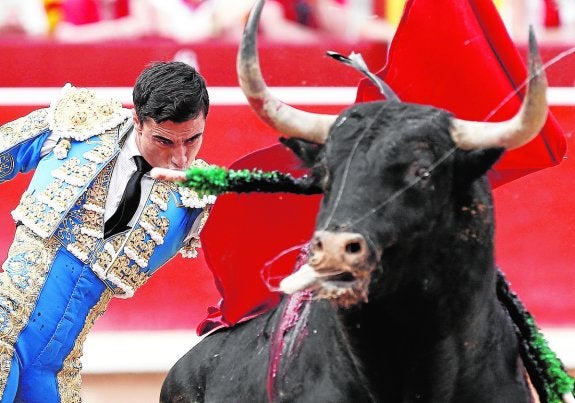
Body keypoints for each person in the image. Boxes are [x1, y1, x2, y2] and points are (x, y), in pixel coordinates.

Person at [0, 61, 214, 401]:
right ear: (137, 120)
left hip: (55, 374)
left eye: (193, 140)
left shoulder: (199, 196)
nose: (180, 158)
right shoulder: (78, 123)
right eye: (164, 141)